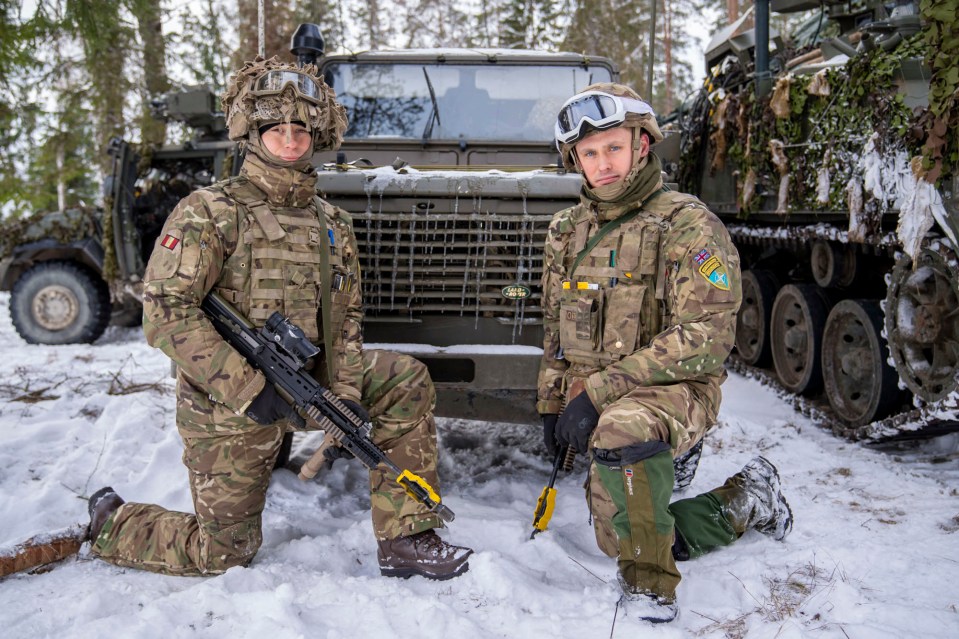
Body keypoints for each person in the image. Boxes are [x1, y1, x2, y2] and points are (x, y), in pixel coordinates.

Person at [86, 57, 472, 580]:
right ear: (254, 133)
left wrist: (349, 394)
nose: (290, 141)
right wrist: (248, 388)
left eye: (301, 130)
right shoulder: (210, 210)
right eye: (277, 129)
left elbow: (347, 320)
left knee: (404, 380)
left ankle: (407, 537)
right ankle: (113, 521)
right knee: (222, 554)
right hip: (228, 403)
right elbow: (165, 312)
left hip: (307, 383)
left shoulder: (331, 223)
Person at [537, 83, 793, 623]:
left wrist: (599, 394)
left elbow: (708, 335)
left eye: (613, 148)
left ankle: (649, 587)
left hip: (676, 389)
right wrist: (551, 403)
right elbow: (555, 329)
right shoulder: (565, 231)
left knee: (623, 434)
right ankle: (749, 499)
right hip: (600, 397)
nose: (602, 164)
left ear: (642, 145)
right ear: (574, 160)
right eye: (589, 153)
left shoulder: (687, 225)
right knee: (619, 536)